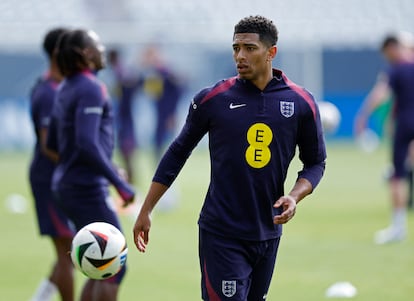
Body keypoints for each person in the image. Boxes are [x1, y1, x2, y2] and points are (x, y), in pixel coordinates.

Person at [133, 15, 326, 300]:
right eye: (236, 48)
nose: (240, 56)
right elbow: (177, 153)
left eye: (249, 48)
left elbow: (315, 163)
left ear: (271, 52)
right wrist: (147, 208)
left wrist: (295, 196)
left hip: (268, 233)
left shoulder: (301, 102)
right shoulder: (213, 99)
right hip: (221, 233)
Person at [47, 29, 135, 301]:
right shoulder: (90, 87)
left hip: (67, 184)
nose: (102, 49)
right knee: (113, 265)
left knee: (98, 265)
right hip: (85, 187)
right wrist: (119, 183)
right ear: (86, 53)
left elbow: (52, 142)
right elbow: (86, 142)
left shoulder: (66, 87)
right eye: (97, 44)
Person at [28, 27, 75, 301]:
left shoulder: (63, 87)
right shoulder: (48, 93)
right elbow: (49, 146)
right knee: (67, 253)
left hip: (63, 180)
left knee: (68, 252)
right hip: (50, 180)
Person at [355, 33, 414, 244]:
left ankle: (398, 227)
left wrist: (363, 115)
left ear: (392, 48)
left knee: (397, 175)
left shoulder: (396, 70)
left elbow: (381, 94)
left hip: (406, 124)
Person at [100, 49, 141, 183]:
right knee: (124, 155)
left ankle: (130, 186)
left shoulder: (120, 74)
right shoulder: (114, 74)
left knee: (126, 154)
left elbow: (135, 83)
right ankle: (129, 185)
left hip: (122, 121)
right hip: (121, 121)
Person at [141, 45, 184, 160]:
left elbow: (178, 91)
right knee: (159, 141)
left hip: (167, 112)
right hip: (160, 112)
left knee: (169, 141)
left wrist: (172, 113)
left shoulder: (166, 73)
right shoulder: (152, 73)